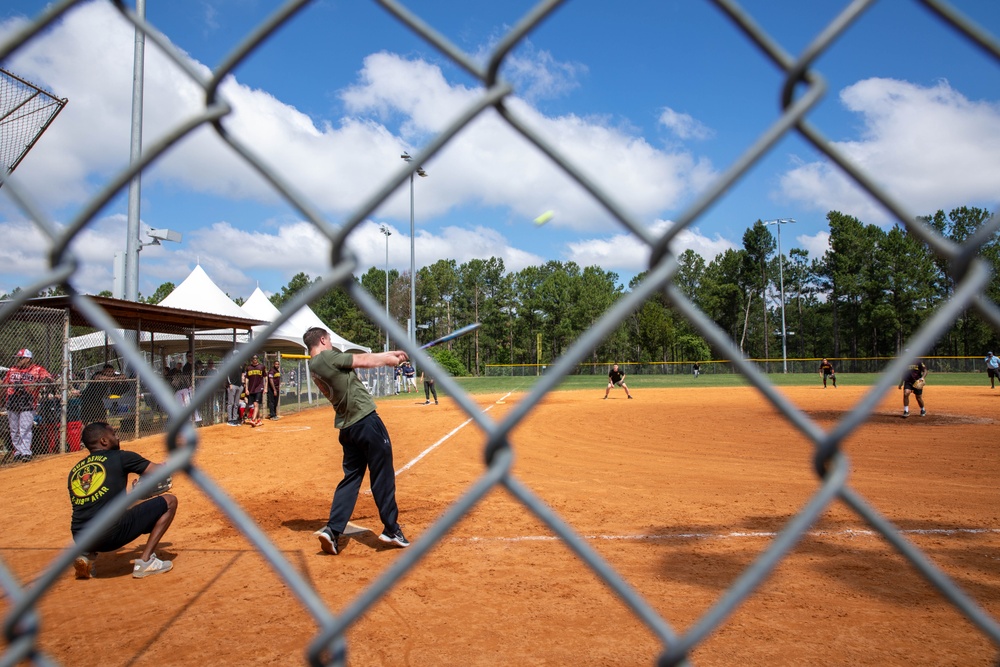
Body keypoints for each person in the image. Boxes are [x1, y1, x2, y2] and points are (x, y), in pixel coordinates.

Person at [304, 326, 410, 555]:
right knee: (382, 473)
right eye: (329, 340)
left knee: (351, 478)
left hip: (347, 428)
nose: (331, 344)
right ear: (322, 340)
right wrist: (388, 361)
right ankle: (391, 529)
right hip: (366, 421)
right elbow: (362, 360)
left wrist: (390, 354)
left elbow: (361, 358)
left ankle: (332, 530)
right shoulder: (327, 357)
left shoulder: (314, 366)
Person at [68, 422, 178, 579]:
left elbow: (99, 503)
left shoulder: (76, 470)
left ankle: (86, 555)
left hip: (80, 536)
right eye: (113, 434)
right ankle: (146, 562)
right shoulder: (122, 457)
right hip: (110, 535)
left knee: (94, 513)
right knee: (170, 501)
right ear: (104, 441)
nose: (118, 437)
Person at [1, 349, 55, 461]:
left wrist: (36, 385)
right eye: (18, 358)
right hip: (12, 401)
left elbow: (49, 378)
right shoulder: (12, 370)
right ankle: (18, 452)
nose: (19, 360)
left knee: (25, 428)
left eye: (21, 358)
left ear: (28, 359)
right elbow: (4, 384)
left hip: (28, 402)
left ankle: (26, 452)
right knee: (14, 430)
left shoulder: (37, 369)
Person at [243, 354, 266, 427]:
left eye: (256, 358)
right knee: (254, 405)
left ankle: (253, 420)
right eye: (253, 358)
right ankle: (259, 420)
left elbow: (265, 377)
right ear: (251, 360)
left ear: (257, 359)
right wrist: (246, 389)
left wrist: (265, 387)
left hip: (259, 387)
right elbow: (247, 378)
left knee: (256, 404)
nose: (255, 359)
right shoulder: (249, 368)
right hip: (251, 389)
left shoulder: (261, 367)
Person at [226, 358, 243, 426]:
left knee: (236, 403)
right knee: (231, 403)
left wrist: (242, 384)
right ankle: (230, 420)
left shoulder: (241, 365)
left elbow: (242, 374)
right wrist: (230, 384)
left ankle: (235, 419)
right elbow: (227, 374)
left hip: (239, 385)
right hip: (232, 385)